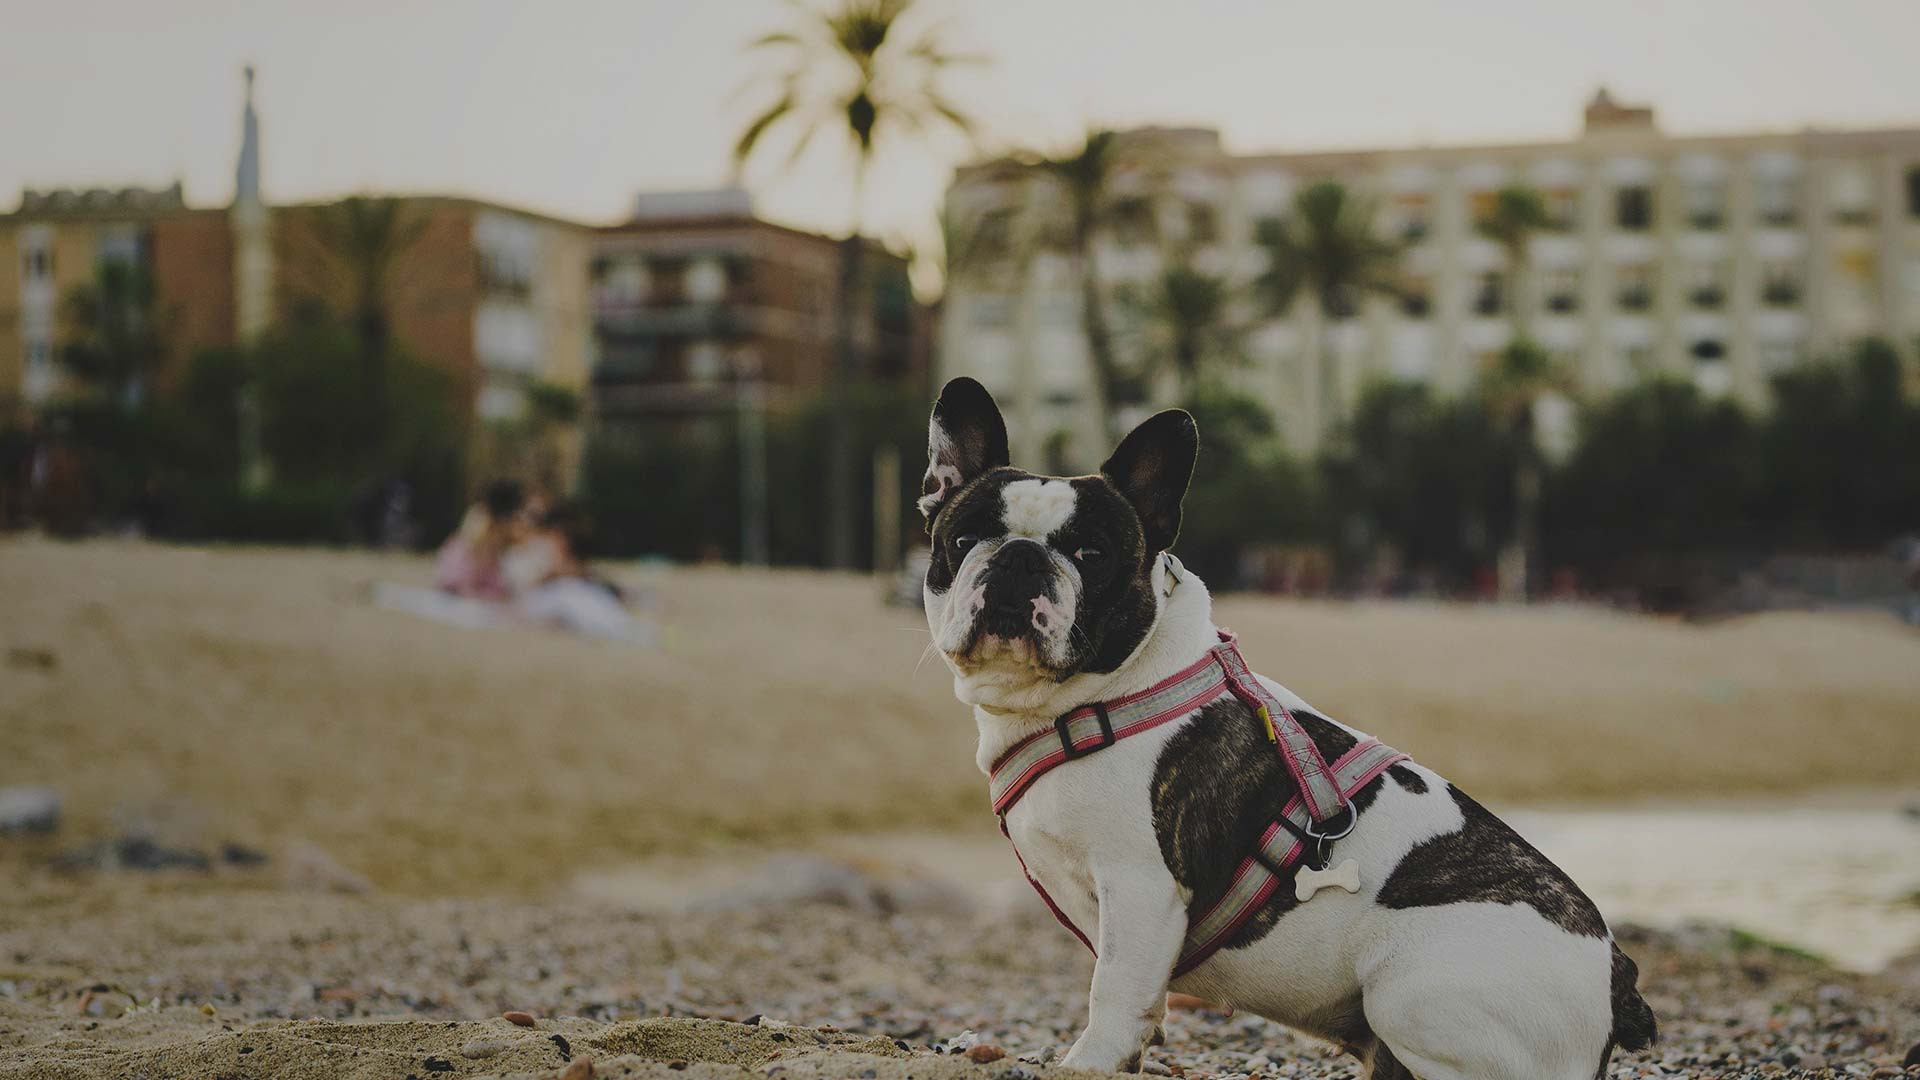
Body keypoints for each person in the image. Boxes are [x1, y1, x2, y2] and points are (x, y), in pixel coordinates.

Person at [434, 480, 524, 600]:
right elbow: (470, 547)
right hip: (463, 575)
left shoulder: (494, 529)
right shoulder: (481, 519)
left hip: (480, 578)